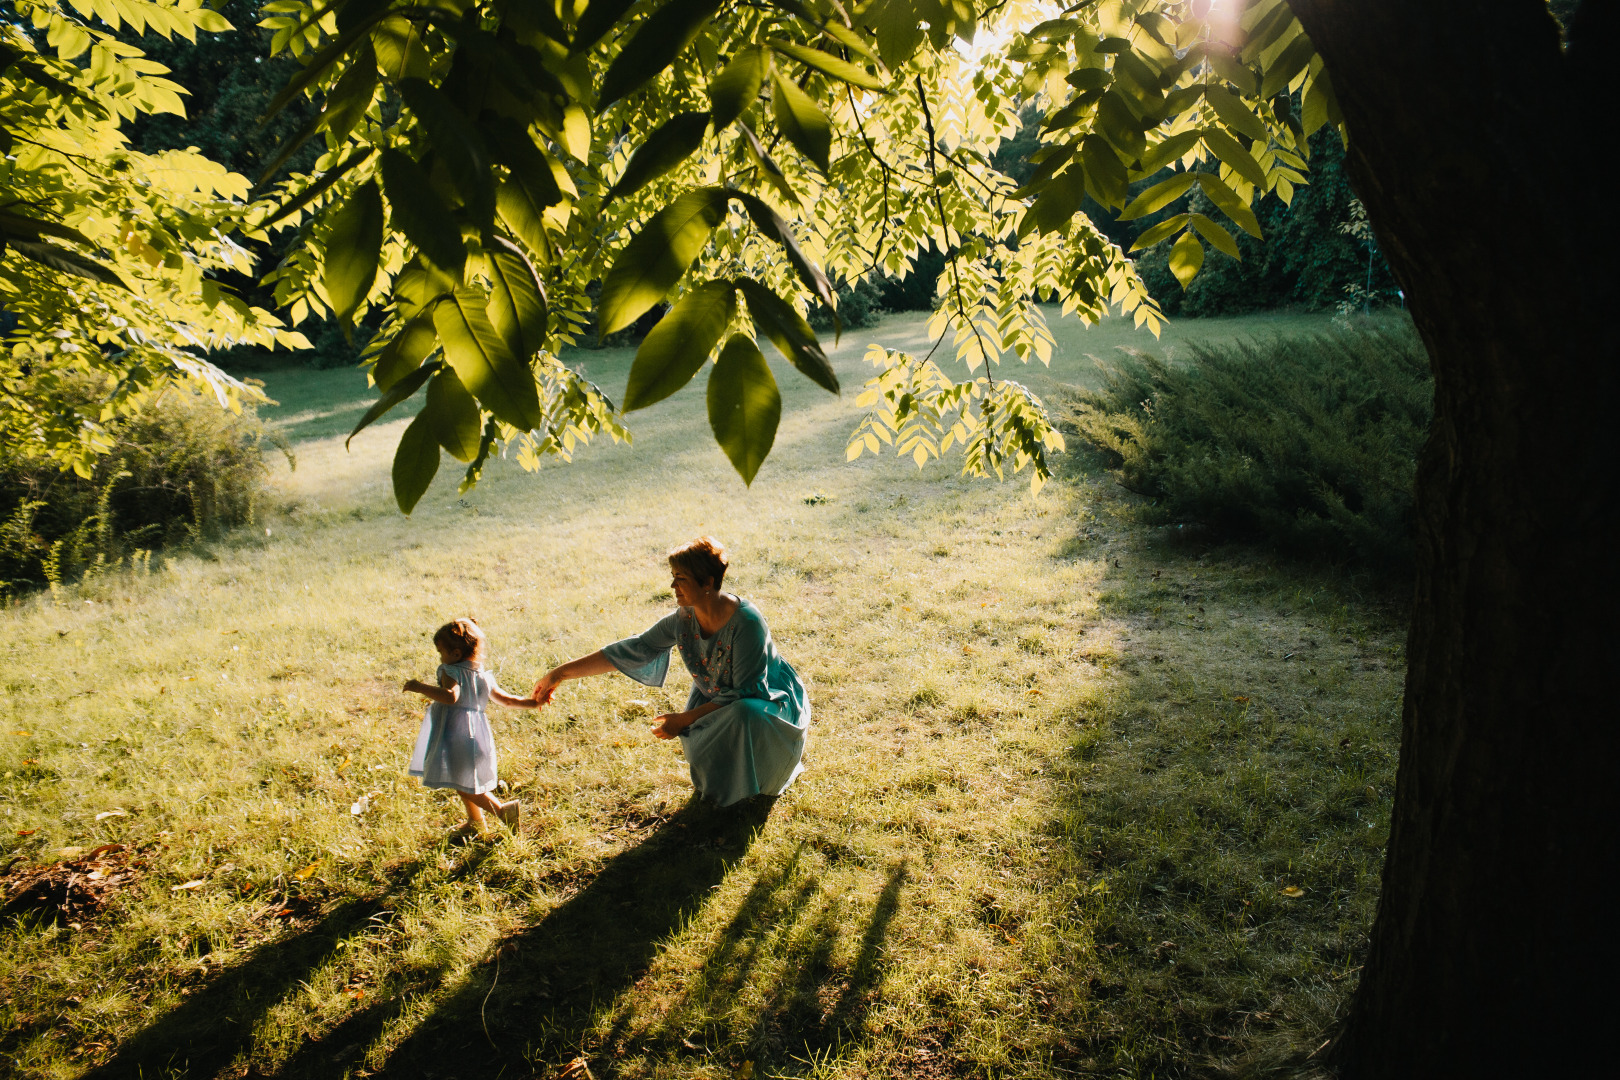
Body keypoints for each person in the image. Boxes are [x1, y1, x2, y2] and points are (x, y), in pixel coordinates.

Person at [533, 537, 809, 807]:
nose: (672, 585)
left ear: (707, 582)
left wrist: (685, 718)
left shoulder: (747, 622)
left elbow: (744, 691)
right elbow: (636, 647)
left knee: (742, 713)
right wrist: (559, 673)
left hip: (767, 699)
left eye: (681, 578)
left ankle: (766, 771)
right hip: (718, 695)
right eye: (673, 576)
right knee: (718, 746)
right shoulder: (684, 617)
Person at [404, 618, 536, 838]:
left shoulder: (450, 671)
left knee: (465, 785)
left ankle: (503, 811)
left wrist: (420, 687)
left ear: (456, 653)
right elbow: (507, 700)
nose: (440, 657)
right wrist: (532, 702)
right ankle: (475, 821)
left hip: (456, 733)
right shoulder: (482, 674)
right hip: (477, 734)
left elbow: (450, 697)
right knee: (463, 779)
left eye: (441, 652)